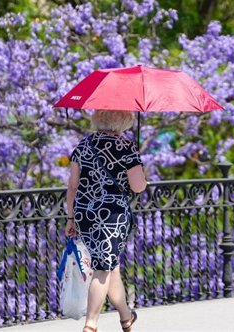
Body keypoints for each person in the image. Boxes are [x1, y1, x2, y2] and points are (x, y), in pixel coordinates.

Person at [65, 110, 147, 332]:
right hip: (111, 215)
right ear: (123, 120)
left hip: (84, 214)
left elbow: (72, 186)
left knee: (111, 265)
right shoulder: (126, 147)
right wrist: (142, 173)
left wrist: (70, 218)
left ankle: (126, 317)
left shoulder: (83, 145)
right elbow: (138, 186)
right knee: (103, 267)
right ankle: (90, 325)